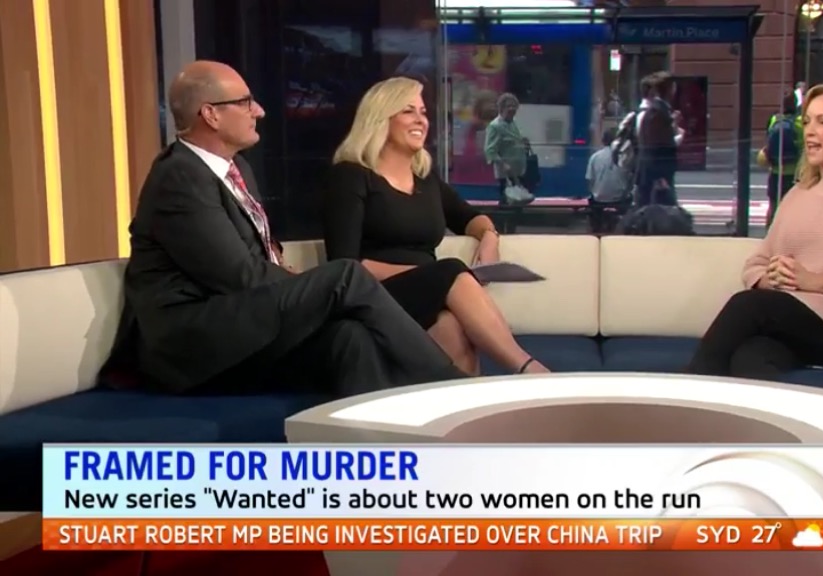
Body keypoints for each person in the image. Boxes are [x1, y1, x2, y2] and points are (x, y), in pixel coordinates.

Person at [102, 61, 467, 396]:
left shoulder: (238, 169)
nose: (259, 111)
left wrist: (305, 291)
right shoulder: (180, 177)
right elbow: (239, 275)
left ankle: (380, 436)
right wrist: (310, 289)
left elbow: (257, 257)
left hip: (240, 318)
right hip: (192, 341)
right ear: (211, 114)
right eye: (244, 102)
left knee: (350, 336)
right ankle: (450, 388)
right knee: (345, 276)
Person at [685, 82, 823, 380]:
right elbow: (758, 262)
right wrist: (771, 278)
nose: (809, 132)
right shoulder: (799, 193)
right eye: (807, 122)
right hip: (796, 318)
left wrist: (812, 281)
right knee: (752, 355)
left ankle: (687, 391)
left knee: (748, 305)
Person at [322, 77, 550, 376]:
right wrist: (429, 275)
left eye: (423, 112)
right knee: (451, 270)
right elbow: (345, 264)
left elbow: (469, 217)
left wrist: (489, 237)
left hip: (429, 294)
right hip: (375, 295)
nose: (421, 120)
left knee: (454, 327)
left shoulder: (425, 179)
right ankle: (529, 370)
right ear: (380, 118)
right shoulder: (351, 176)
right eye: (408, 111)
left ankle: (467, 401)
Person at [634, 71, 680, 207]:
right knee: (659, 212)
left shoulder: (659, 111)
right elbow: (657, 147)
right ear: (670, 89)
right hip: (656, 177)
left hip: (655, 175)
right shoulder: (657, 112)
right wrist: (661, 178)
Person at [759, 94, 803, 224]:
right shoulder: (800, 122)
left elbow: (768, 140)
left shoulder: (774, 120)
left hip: (775, 171)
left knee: (773, 205)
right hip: (794, 173)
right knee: (793, 208)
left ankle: (770, 231)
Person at [484, 92, 531, 204]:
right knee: (507, 202)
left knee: (518, 203)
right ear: (501, 108)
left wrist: (523, 142)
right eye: (509, 106)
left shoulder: (514, 123)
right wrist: (502, 164)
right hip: (506, 173)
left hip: (518, 170)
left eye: (514, 106)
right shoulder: (495, 126)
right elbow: (490, 150)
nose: (512, 109)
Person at [585, 128, 632, 233]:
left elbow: (590, 180)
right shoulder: (624, 157)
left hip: (599, 200)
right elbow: (629, 180)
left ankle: (596, 230)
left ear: (603, 141)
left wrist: (596, 192)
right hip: (619, 200)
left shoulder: (594, 157)